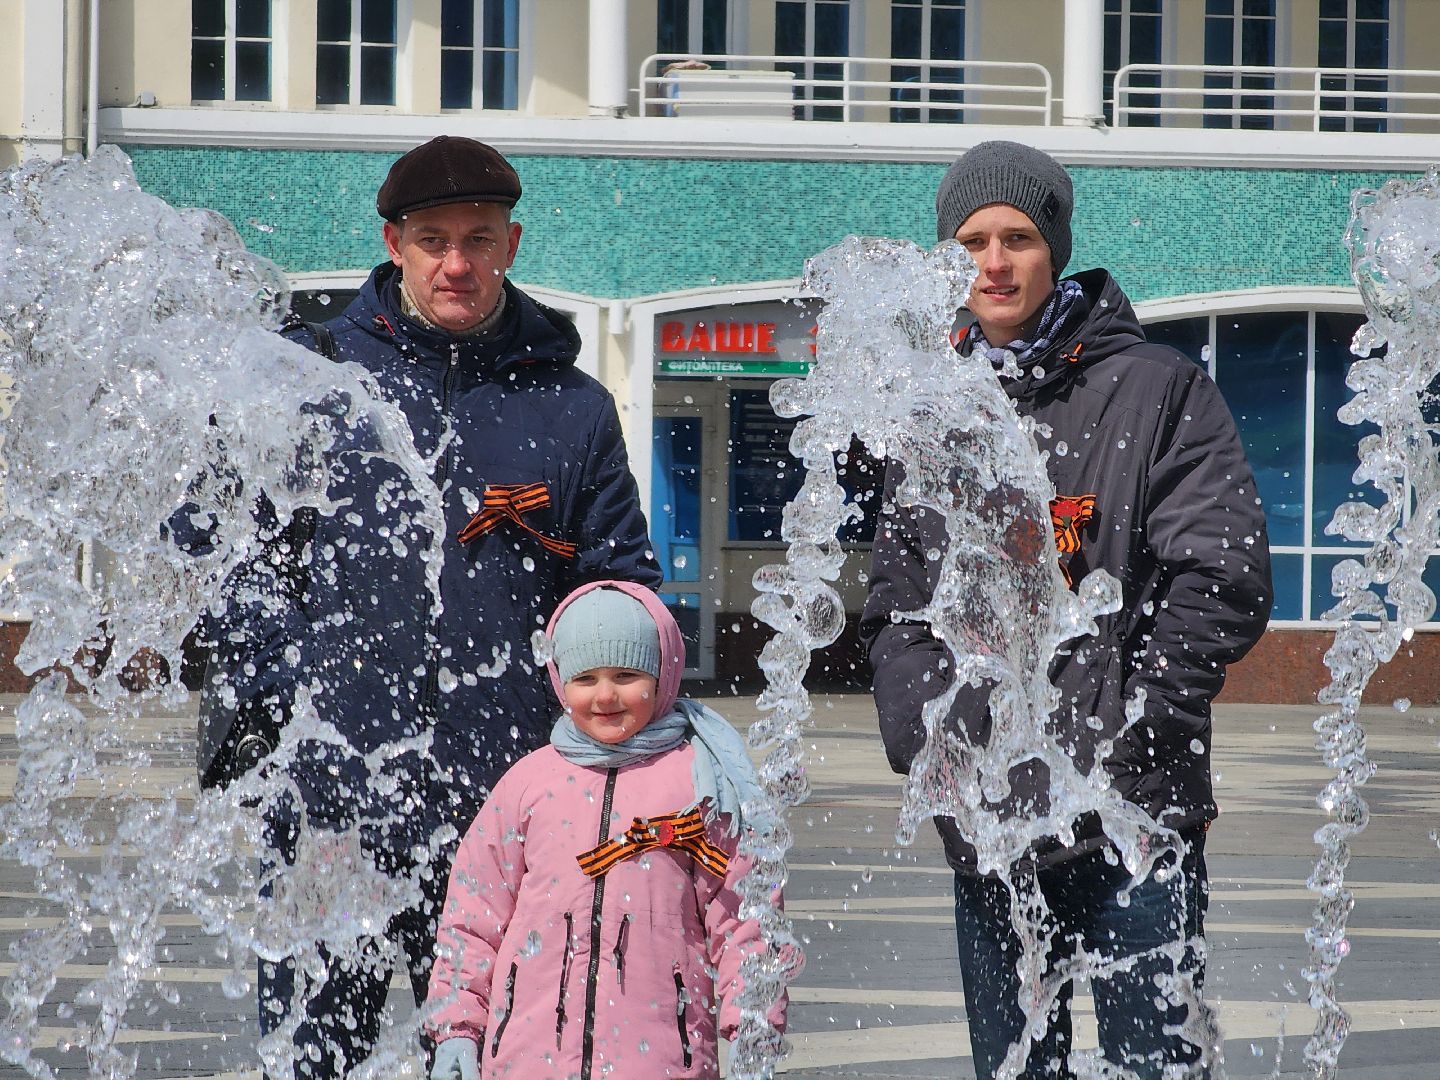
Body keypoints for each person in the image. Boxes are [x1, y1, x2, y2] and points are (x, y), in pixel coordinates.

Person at [196, 136, 661, 1075]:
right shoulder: (308, 381)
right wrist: (294, 704)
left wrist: (631, 756)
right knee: (315, 1061)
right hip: (328, 814)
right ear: (393, 244)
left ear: (513, 244)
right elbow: (222, 556)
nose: (458, 263)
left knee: (510, 1058)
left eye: (480, 238)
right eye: (435, 239)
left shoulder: (571, 407)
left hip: (509, 815)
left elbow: (621, 595)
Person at [859, 141, 1273, 1077]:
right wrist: (938, 739)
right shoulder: (935, 413)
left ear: (1055, 248)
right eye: (971, 242)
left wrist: (1136, 729)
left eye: (1016, 238)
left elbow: (1224, 576)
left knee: (1152, 1065)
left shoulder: (1157, 389)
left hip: (1135, 818)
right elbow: (896, 606)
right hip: (992, 827)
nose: (994, 263)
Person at [425, 580, 785, 1080]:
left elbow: (745, 918)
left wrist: (754, 1027)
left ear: (663, 675)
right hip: (528, 1057)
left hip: (660, 1057)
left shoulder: (701, 785)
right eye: (586, 678)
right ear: (559, 681)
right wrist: (457, 1029)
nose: (606, 695)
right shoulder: (528, 785)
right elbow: (472, 915)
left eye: (626, 674)